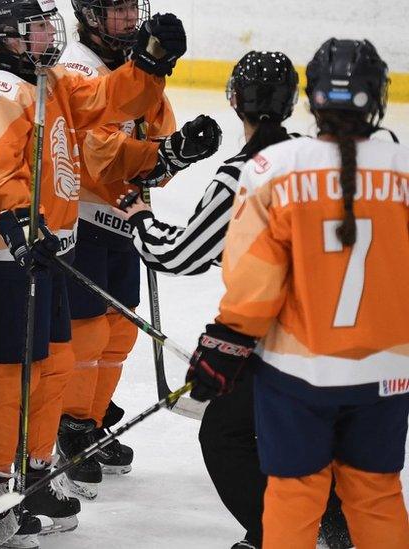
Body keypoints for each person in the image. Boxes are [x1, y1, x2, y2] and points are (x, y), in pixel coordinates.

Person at [0, 0, 185, 534]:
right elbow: (2, 170)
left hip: (54, 246)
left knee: (55, 365)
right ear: (6, 36)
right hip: (8, 254)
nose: (47, 34)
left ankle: (34, 477)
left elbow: (107, 97)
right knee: (18, 373)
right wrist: (21, 225)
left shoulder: (48, 80)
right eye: (34, 27)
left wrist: (149, 64)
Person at [118, 50, 352, 549]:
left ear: (233, 101)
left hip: (282, 338)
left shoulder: (243, 175)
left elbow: (179, 254)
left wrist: (139, 216)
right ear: (293, 103)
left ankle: (282, 533)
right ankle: (331, 524)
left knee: (224, 435)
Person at [186, 38, 409, 549]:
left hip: (299, 373)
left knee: (294, 493)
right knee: (376, 495)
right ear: (377, 96)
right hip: (386, 372)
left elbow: (253, 280)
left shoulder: (274, 167)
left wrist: (224, 345)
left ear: (311, 99)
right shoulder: (404, 167)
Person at [54, 0, 221, 499]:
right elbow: (96, 156)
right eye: (117, 10)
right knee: (84, 333)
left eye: (132, 8)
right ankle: (68, 424)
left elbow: (155, 154)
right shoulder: (76, 69)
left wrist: (177, 152)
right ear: (88, 16)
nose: (129, 19)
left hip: (124, 220)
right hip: (79, 218)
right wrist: (160, 155)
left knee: (119, 331)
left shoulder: (141, 72)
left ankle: (91, 418)